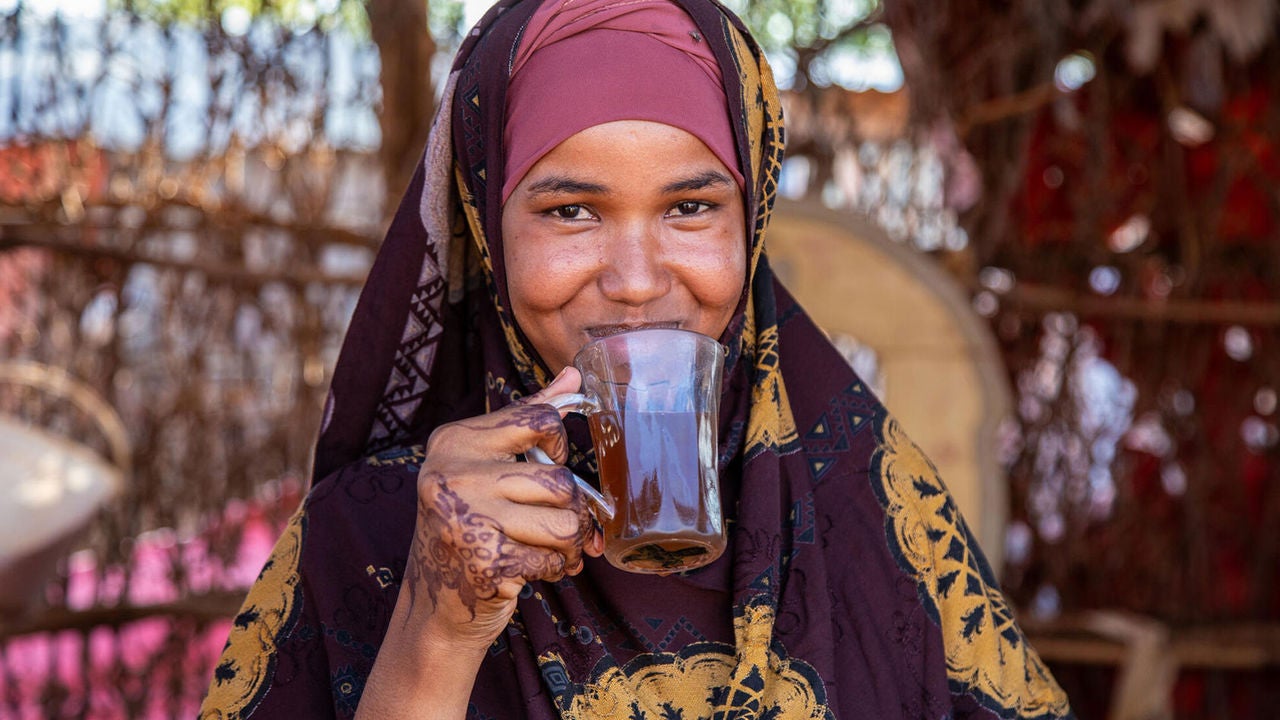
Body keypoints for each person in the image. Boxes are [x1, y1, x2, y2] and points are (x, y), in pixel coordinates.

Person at [199, 0, 1074, 717]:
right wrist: (437, 630)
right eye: (570, 211)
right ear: (486, 231)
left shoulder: (875, 520)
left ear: (752, 222)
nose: (636, 280)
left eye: (691, 208)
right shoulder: (369, 541)